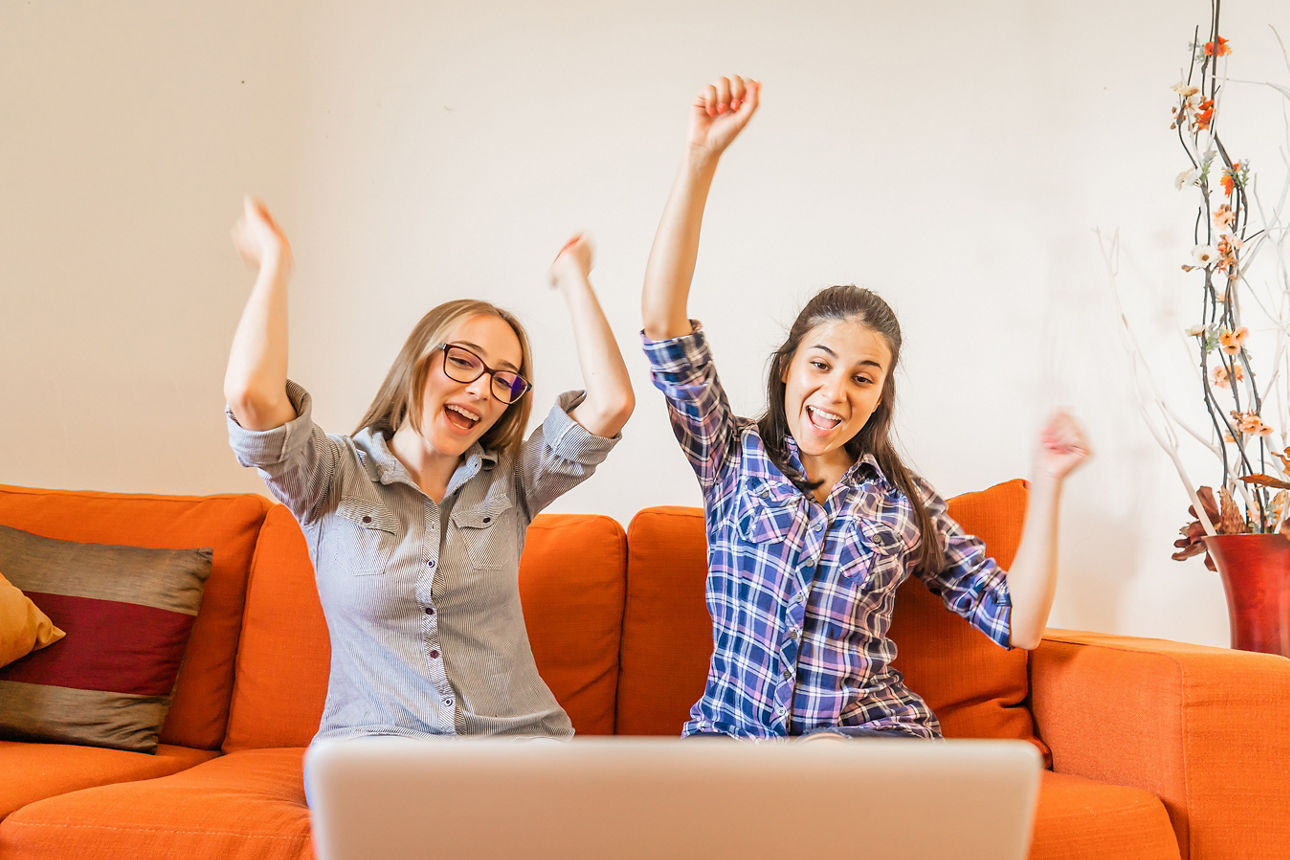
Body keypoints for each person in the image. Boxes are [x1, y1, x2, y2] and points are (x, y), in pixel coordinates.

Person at [640, 76, 1091, 740]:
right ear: (788, 366)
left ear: (881, 394)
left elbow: (1019, 622)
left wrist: (1048, 484)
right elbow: (662, 323)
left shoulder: (903, 505)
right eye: (820, 365)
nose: (835, 393)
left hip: (866, 747)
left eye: (863, 377)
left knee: (826, 762)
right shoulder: (731, 455)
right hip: (732, 751)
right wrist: (700, 158)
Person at [224, 197, 634, 758]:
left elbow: (611, 402)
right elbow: (251, 395)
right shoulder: (329, 476)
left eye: (504, 381)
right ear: (418, 359)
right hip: (377, 755)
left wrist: (573, 278)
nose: (481, 390)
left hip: (520, 749)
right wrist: (275, 263)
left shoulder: (513, 483)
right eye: (464, 361)